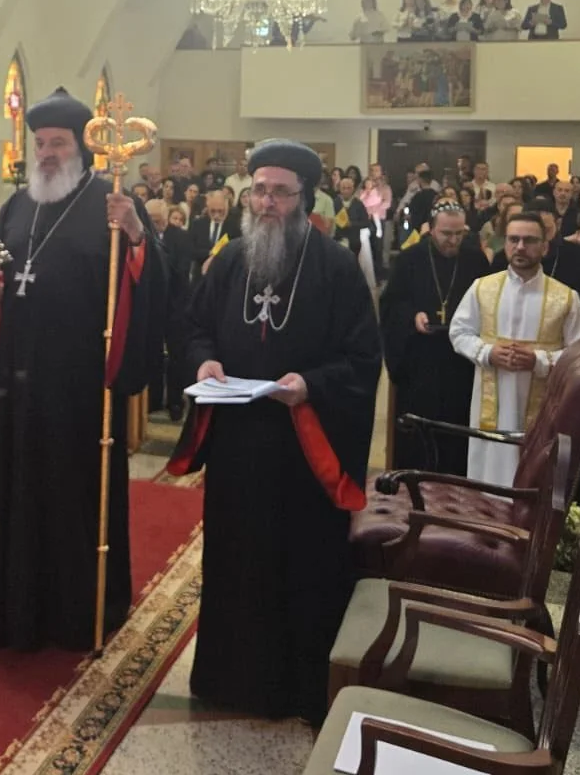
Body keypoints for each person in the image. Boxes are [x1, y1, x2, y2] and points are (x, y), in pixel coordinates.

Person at [170, 139, 381, 726]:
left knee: (301, 568)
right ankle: (227, 681)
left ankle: (297, 688)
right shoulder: (232, 260)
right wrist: (204, 362)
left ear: (304, 198)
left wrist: (309, 385)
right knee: (236, 564)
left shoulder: (336, 268)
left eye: (279, 192)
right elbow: (192, 328)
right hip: (239, 448)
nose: (266, 202)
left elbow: (364, 360)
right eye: (258, 190)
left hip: (303, 452)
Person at [0, 88, 167, 652]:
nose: (48, 153)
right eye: (40, 143)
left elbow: (152, 279)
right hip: (17, 378)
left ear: (81, 148)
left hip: (76, 386)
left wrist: (134, 235)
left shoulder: (110, 203)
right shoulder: (17, 205)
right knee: (17, 491)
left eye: (58, 143)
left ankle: (75, 610)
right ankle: (12, 604)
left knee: (70, 494)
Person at [449, 212, 580, 484]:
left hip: (542, 406)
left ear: (545, 246)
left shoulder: (565, 297)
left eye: (529, 240)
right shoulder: (483, 288)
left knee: (533, 482)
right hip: (491, 406)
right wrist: (488, 352)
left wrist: (539, 361)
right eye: (514, 239)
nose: (520, 247)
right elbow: (459, 332)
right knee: (488, 479)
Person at [381, 202, 492, 474]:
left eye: (458, 234)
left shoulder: (475, 260)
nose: (453, 240)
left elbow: (488, 304)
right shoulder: (409, 259)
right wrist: (411, 316)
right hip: (421, 360)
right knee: (419, 432)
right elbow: (391, 303)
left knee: (457, 429)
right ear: (430, 230)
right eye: (446, 233)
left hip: (460, 363)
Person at [145, 200, 192, 422]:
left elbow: (181, 271)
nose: (157, 225)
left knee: (176, 356)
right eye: (152, 221)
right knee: (152, 353)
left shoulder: (181, 237)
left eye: (159, 220)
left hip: (175, 305)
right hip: (151, 305)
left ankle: (175, 400)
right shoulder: (143, 234)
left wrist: (160, 265)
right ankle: (153, 398)